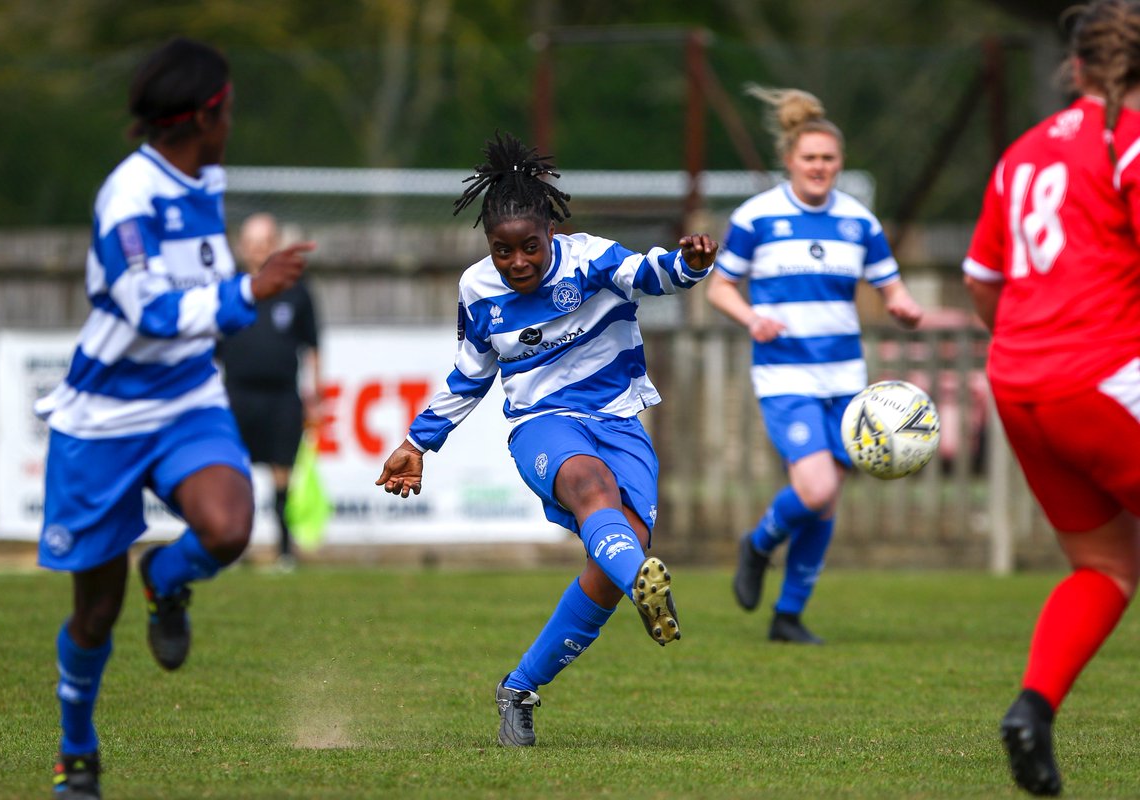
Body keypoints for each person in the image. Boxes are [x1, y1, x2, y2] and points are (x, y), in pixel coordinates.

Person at [36, 38, 312, 800]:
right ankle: (77, 750)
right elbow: (149, 308)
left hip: (187, 394)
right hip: (104, 414)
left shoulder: (204, 178)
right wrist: (246, 293)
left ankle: (165, 572)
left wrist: (233, 288)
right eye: (229, 103)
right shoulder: (129, 198)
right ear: (205, 115)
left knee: (228, 528)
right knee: (94, 612)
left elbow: (194, 285)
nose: (235, 115)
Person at [376, 131, 717, 747]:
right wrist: (418, 443)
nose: (518, 264)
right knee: (591, 487)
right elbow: (470, 374)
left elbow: (652, 275)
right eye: (502, 252)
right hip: (542, 424)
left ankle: (520, 687)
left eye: (529, 248)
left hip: (619, 420)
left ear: (549, 236)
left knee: (611, 559)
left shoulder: (591, 259)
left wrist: (690, 264)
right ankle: (645, 581)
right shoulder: (478, 290)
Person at [963, 1, 1140, 794]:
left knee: (1103, 565)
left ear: (1075, 67)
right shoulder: (1129, 142)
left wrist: (1039, 343)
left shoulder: (1023, 152)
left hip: (1020, 383)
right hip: (1102, 376)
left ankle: (1032, 710)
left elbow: (982, 281)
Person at [707, 86, 922, 645]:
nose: (820, 167)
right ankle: (757, 544)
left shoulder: (858, 222)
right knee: (817, 486)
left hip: (846, 378)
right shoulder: (757, 217)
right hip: (785, 374)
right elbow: (721, 287)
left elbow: (890, 285)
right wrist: (751, 318)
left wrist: (902, 304)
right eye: (810, 158)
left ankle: (789, 616)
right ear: (790, 161)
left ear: (840, 164)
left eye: (829, 159)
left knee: (826, 503)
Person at [218, 212, 322, 570]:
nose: (258, 251)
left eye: (265, 243)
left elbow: (313, 346)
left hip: (282, 396)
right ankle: (233, 549)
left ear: (275, 246)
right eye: (252, 244)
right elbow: (210, 347)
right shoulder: (227, 291)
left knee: (282, 472)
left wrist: (315, 396)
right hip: (237, 394)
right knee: (233, 474)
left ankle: (284, 550)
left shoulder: (296, 290)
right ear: (241, 248)